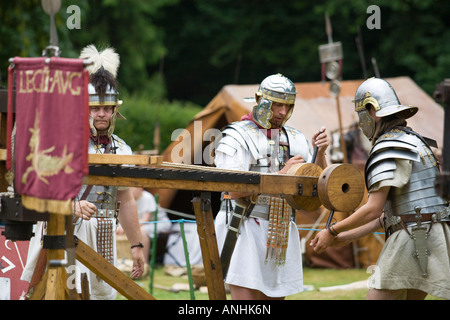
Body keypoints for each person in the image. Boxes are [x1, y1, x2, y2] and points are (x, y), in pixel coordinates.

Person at [21, 45, 145, 300]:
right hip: (63, 227)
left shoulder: (121, 148)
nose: (101, 114)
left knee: (100, 297)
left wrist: (136, 244)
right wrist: (71, 206)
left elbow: (125, 198)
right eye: (95, 108)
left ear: (114, 110)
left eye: (107, 108)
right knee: (58, 294)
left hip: (104, 232)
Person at [310, 77, 450, 300]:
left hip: (411, 236)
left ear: (371, 110)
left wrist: (332, 231)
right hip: (432, 234)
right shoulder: (416, 142)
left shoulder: (388, 146)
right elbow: (387, 217)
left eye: (361, 114)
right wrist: (346, 236)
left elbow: (373, 209)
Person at [214, 73, 330, 300]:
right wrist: (282, 175)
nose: (282, 112)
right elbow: (232, 188)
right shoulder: (235, 136)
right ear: (262, 101)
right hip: (243, 225)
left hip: (281, 226)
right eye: (277, 104)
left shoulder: (295, 138)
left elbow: (315, 187)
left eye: (287, 105)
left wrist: (320, 153)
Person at [117, 187, 170, 263]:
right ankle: (125, 262)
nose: (130, 191)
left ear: (140, 189)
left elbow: (145, 220)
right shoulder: (127, 199)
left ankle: (143, 263)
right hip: (144, 224)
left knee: (142, 231)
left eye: (132, 189)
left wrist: (126, 227)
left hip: (160, 223)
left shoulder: (147, 197)